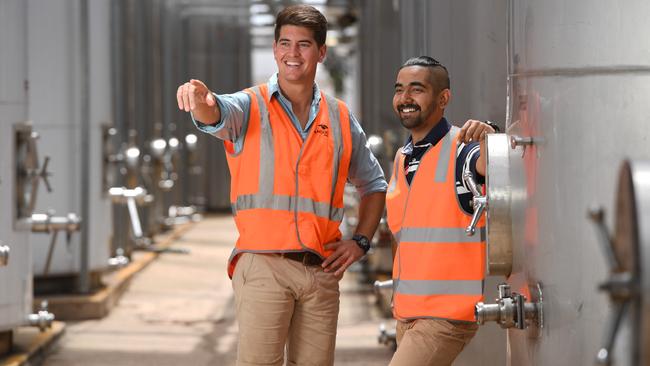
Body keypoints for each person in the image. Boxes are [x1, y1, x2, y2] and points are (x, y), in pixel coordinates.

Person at [176, 5, 387, 366]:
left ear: (321, 52)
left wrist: (361, 242)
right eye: (285, 43)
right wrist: (204, 103)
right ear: (274, 49)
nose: (293, 53)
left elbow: (374, 184)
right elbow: (217, 114)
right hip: (264, 267)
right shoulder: (249, 105)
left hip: (321, 271)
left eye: (303, 44)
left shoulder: (339, 117)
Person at [386, 56, 496, 366]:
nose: (405, 99)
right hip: (407, 314)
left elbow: (490, 165)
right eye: (399, 89)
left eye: (416, 89)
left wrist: (490, 135)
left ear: (443, 98)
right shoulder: (402, 158)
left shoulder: (464, 149)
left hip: (446, 315)